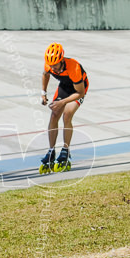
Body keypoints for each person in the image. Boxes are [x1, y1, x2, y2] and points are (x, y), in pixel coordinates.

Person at [39, 42, 89, 173]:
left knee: (67, 114)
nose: (53, 68)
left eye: (55, 65)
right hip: (65, 86)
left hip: (78, 89)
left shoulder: (74, 68)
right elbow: (45, 75)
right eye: (51, 65)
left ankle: (65, 150)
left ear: (61, 60)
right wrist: (43, 93)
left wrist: (62, 103)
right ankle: (51, 151)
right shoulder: (49, 65)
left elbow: (80, 93)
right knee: (54, 115)